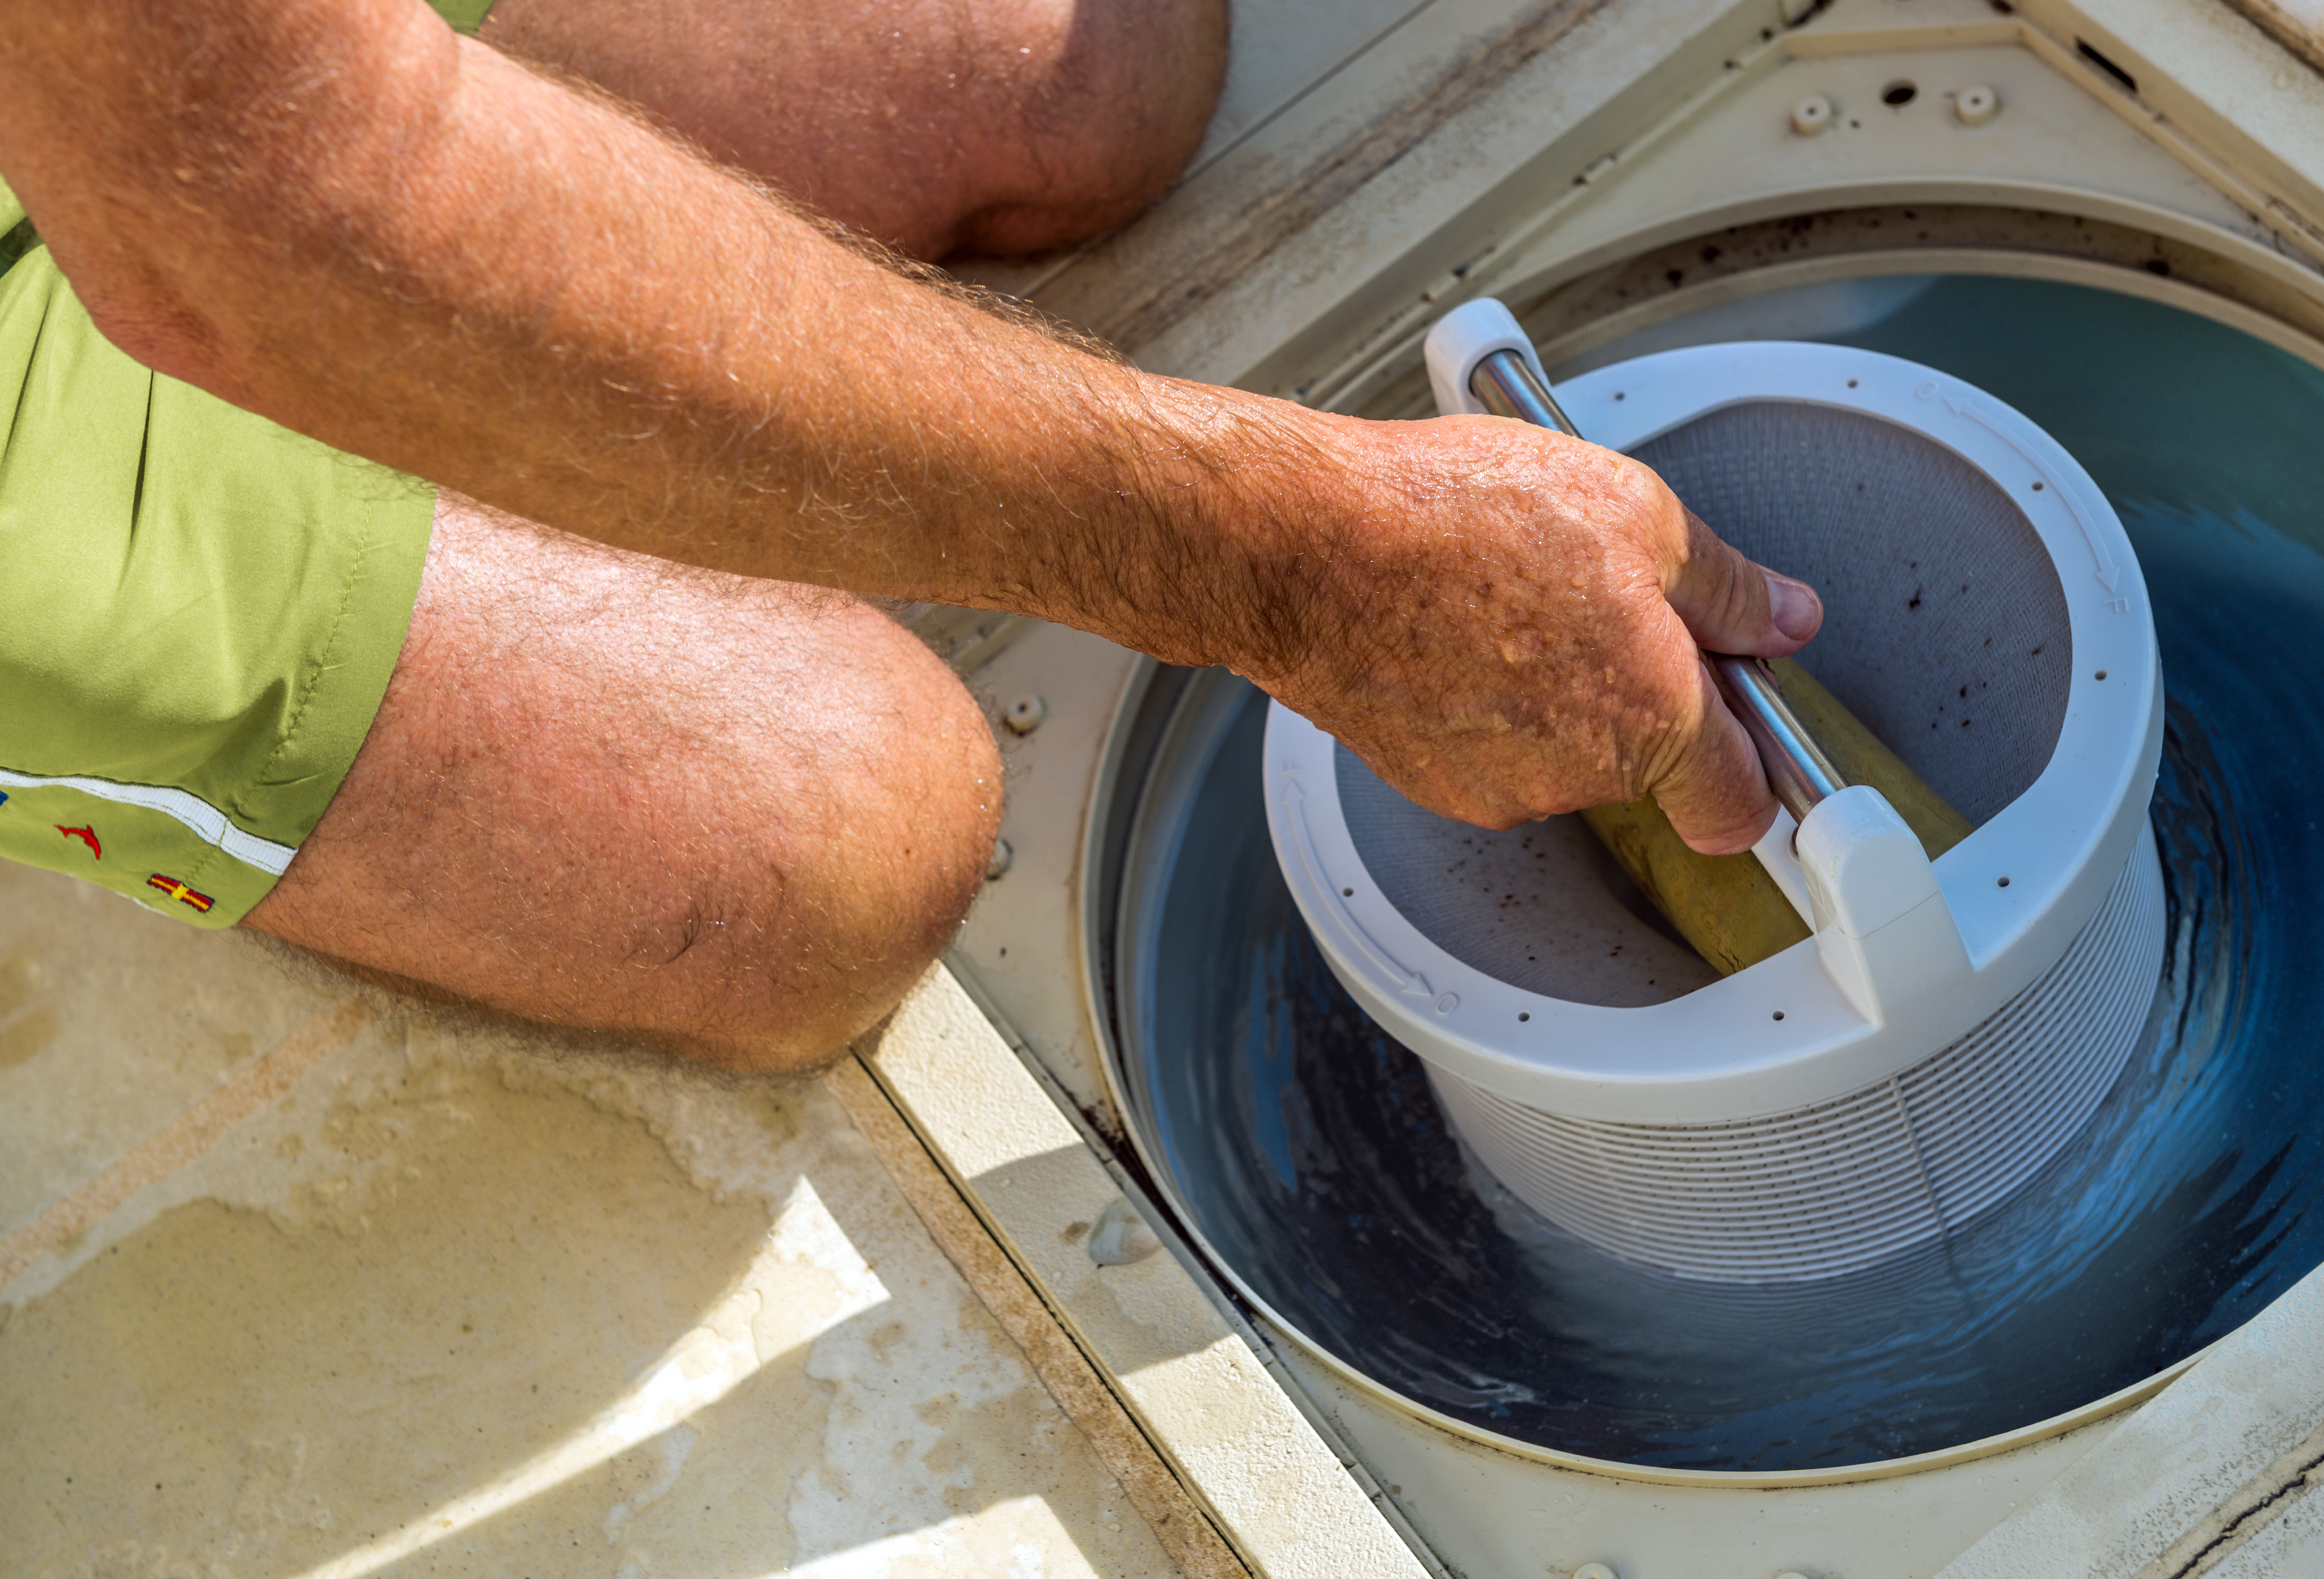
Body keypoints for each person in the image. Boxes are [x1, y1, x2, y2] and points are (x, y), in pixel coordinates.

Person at [0, 0, 1822, 1071]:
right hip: (167, 197)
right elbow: (256, 218)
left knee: (1071, 63)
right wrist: (1289, 566)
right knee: (833, 836)